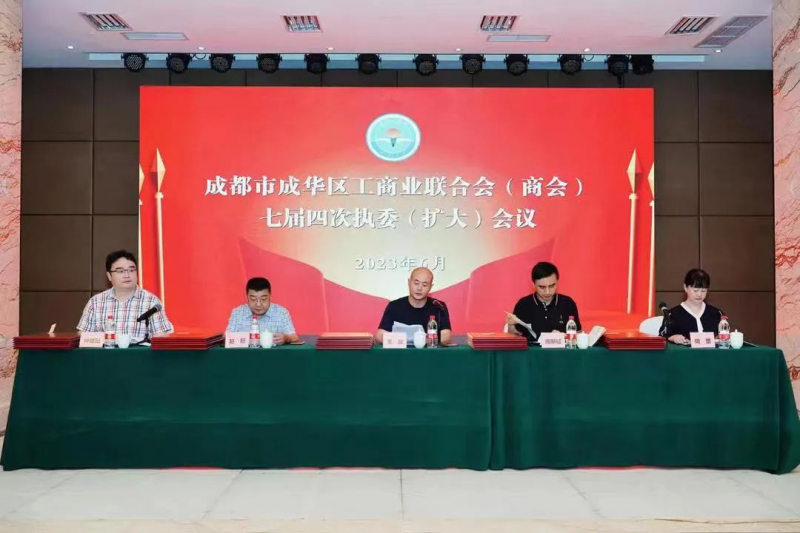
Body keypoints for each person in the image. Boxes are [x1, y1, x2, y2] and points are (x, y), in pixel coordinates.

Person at [77, 250, 173, 341]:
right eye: (120, 271)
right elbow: (83, 335)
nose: (127, 275)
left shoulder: (151, 302)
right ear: (109, 276)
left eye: (131, 270)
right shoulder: (95, 302)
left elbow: (161, 337)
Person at [506, 261, 581, 343]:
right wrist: (511, 325)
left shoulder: (568, 303)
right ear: (533, 285)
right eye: (542, 287)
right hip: (531, 350)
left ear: (557, 282)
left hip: (561, 350)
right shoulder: (523, 305)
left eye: (551, 286)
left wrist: (563, 337)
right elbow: (514, 337)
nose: (547, 292)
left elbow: (578, 333)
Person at [376, 267, 452, 345]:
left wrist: (425, 340)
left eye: (424, 285)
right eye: (416, 283)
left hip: (429, 352)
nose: (419, 288)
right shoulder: (394, 306)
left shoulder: (438, 306)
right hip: (400, 352)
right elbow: (379, 336)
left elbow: (446, 337)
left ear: (430, 287)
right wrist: (402, 339)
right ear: (409, 282)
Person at [226, 277, 299, 345]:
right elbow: (227, 338)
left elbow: (294, 337)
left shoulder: (281, 313)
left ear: (270, 297)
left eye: (263, 299)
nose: (258, 304)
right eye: (253, 299)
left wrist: (286, 338)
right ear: (247, 297)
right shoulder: (237, 313)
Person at [664, 269, 725, 345]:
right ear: (685, 287)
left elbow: (725, 338)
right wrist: (673, 337)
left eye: (703, 291)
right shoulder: (672, 315)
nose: (699, 294)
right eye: (695, 290)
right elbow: (663, 337)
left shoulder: (717, 313)